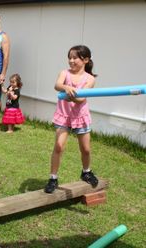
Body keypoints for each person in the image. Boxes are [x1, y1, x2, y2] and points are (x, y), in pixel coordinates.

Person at [44, 45, 99, 194]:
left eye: (75, 58)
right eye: (70, 57)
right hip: (64, 116)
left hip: (80, 116)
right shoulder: (64, 73)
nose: (71, 60)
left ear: (86, 60)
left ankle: (86, 171)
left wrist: (71, 95)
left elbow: (81, 98)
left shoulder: (90, 79)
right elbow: (57, 85)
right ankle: (53, 178)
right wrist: (65, 87)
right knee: (59, 146)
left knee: (86, 149)